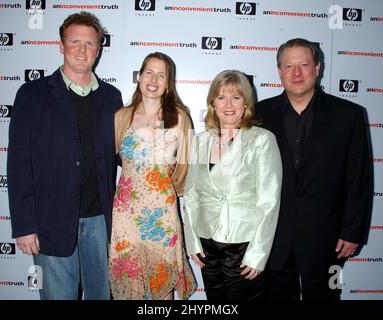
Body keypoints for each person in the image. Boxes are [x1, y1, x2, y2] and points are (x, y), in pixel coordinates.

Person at [7, 11, 123, 300]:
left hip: (101, 222)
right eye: (75, 42)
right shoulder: (32, 94)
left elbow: (124, 154)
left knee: (102, 295)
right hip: (50, 220)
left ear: (99, 49)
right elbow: (19, 164)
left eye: (90, 43)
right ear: (60, 45)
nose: (82, 50)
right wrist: (24, 226)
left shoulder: (112, 97)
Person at [255, 38, 370, 300]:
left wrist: (352, 232)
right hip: (273, 238)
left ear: (317, 68)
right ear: (279, 71)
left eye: (304, 65)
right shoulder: (258, 115)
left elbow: (358, 179)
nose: (296, 73)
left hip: (327, 240)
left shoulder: (348, 115)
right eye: (289, 66)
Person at [183, 70, 282, 302]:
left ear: (246, 103)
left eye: (236, 97)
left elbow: (269, 202)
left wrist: (257, 254)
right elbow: (191, 194)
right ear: (212, 103)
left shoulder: (262, 140)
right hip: (207, 242)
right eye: (221, 97)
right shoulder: (199, 141)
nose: (228, 104)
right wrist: (193, 241)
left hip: (243, 244)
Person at [109, 52, 197, 300]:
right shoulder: (121, 117)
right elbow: (110, 161)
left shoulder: (180, 118)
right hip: (126, 214)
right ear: (139, 76)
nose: (154, 79)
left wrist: (164, 191)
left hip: (162, 214)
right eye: (149, 72)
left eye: (162, 75)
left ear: (169, 83)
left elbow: (185, 167)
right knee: (129, 284)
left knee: (162, 286)